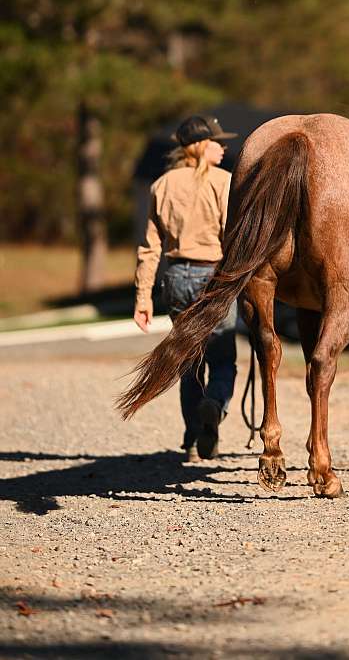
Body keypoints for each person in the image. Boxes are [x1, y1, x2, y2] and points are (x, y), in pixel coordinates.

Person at [134, 115, 238, 462]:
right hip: (214, 278)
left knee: (189, 364)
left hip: (177, 278)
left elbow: (150, 248)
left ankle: (193, 439)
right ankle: (215, 407)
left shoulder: (161, 186)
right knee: (223, 360)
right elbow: (234, 240)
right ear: (201, 145)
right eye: (218, 142)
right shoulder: (224, 183)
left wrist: (143, 297)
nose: (224, 148)